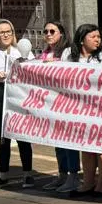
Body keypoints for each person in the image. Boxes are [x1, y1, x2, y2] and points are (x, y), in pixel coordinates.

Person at [0, 17, 33, 190]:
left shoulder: (21, 50)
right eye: (1, 32)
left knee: (22, 135)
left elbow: (33, 71)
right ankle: (3, 175)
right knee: (2, 136)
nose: (5, 35)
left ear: (13, 33)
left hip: (18, 93)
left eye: (8, 31)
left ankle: (28, 175)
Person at [68, 24, 102, 197]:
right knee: (85, 146)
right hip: (79, 109)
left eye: (99, 37)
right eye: (93, 37)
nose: (97, 40)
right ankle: (88, 183)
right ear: (82, 40)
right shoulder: (70, 56)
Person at [37, 20, 80, 193]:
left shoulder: (68, 52)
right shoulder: (44, 53)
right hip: (51, 103)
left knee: (69, 141)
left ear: (61, 33)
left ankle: (73, 175)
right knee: (57, 141)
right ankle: (62, 174)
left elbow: (70, 72)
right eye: (46, 31)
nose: (48, 34)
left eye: (52, 31)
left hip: (67, 103)